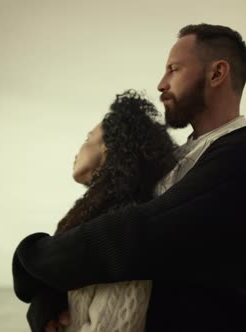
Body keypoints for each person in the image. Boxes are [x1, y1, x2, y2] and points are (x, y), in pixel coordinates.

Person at [13, 23, 246, 332]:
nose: (161, 83)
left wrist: (31, 260)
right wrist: (47, 298)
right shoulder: (180, 159)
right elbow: (112, 222)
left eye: (174, 69)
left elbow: (139, 234)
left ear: (216, 73)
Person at [20, 90, 178, 332]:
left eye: (88, 137)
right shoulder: (92, 217)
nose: (78, 149)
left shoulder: (124, 226)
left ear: (109, 147)